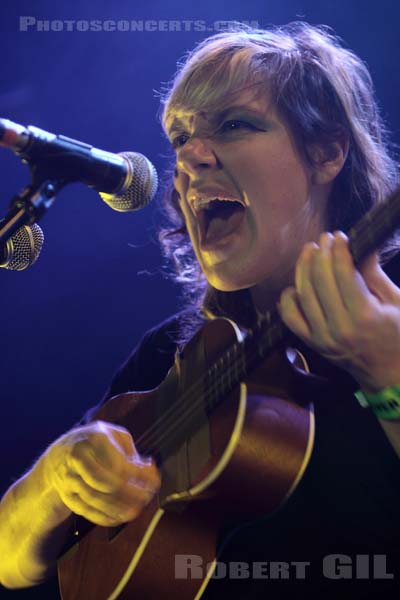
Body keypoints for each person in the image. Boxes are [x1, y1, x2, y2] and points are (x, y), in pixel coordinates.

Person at [1, 21, 400, 599]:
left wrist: (389, 375)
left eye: (234, 125)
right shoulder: (171, 354)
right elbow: (12, 561)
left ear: (328, 151)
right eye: (180, 137)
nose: (191, 157)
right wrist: (56, 478)